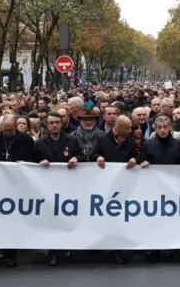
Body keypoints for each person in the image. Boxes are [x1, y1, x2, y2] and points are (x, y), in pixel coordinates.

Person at [0, 115, 37, 267]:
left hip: (18, 186)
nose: (7, 133)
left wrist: (24, 164)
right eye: (4, 130)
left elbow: (34, 160)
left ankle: (11, 253)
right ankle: (0, 248)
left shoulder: (25, 139)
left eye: (10, 131)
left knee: (14, 220)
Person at [35, 113, 86, 267]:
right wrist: (39, 161)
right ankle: (53, 252)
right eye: (51, 123)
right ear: (47, 125)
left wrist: (76, 158)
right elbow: (30, 161)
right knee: (52, 219)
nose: (55, 125)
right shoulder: (39, 143)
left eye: (57, 122)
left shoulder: (72, 140)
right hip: (47, 186)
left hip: (68, 185)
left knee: (67, 217)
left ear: (62, 123)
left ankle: (67, 247)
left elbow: (82, 156)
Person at [90, 115, 139, 264]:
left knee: (119, 218)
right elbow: (92, 154)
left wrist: (134, 159)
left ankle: (117, 250)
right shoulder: (103, 139)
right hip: (104, 185)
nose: (131, 130)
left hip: (123, 185)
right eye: (128, 128)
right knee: (104, 217)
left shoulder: (131, 141)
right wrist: (98, 157)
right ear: (118, 128)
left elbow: (137, 156)